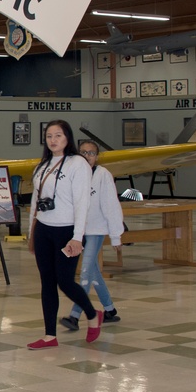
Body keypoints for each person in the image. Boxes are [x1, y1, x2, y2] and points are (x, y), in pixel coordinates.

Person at [26, 119, 102, 350]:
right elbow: (35, 201)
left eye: (58, 135)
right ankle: (50, 335)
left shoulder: (77, 163)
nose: (53, 140)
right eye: (49, 136)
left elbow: (82, 202)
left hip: (67, 230)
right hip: (44, 229)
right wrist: (31, 230)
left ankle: (92, 314)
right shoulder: (43, 165)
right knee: (47, 281)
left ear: (67, 138)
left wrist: (77, 237)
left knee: (64, 281)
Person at [60, 141, 123, 331]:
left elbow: (111, 205)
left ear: (97, 156)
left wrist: (116, 235)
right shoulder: (73, 173)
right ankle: (110, 310)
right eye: (84, 152)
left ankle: (75, 316)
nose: (87, 156)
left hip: (95, 230)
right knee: (94, 272)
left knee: (86, 273)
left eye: (92, 153)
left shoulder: (103, 175)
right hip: (78, 231)